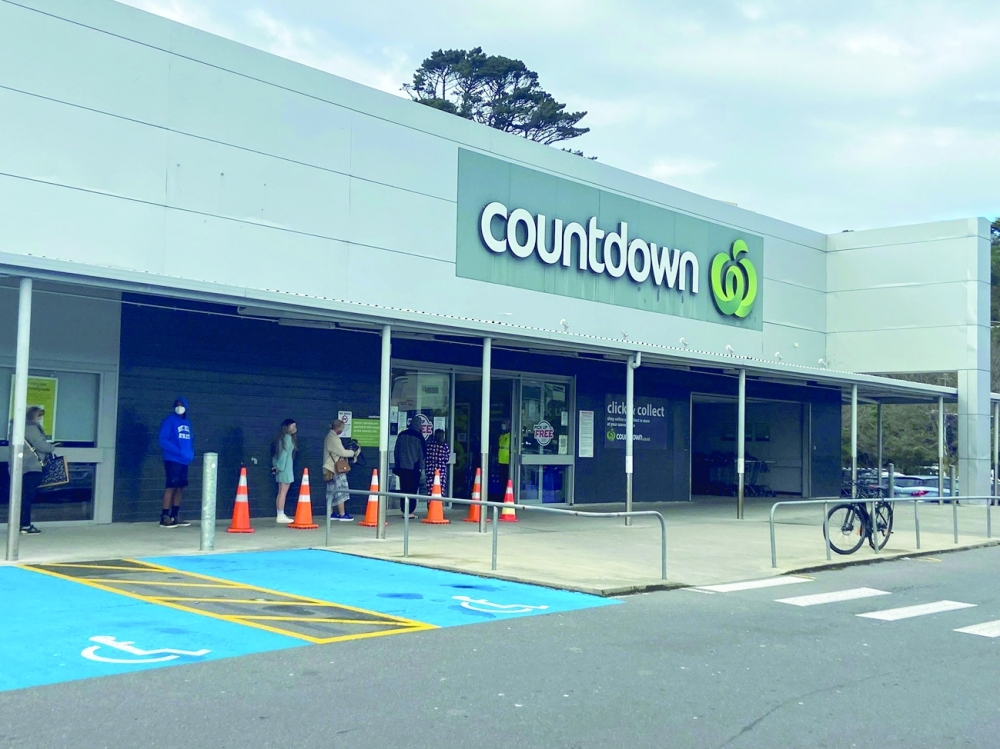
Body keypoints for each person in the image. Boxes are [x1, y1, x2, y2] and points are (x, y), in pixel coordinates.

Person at [8, 406, 55, 534]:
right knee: (27, 497)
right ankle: (25, 525)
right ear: (33, 416)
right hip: (31, 467)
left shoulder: (15, 428)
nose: (40, 419)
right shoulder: (31, 428)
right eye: (39, 416)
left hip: (18, 467)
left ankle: (18, 524)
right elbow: (41, 445)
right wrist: (52, 447)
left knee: (20, 497)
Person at [158, 397, 194, 528]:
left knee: (180, 487)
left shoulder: (187, 423)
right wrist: (178, 451)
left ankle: (175, 515)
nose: (179, 407)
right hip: (172, 459)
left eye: (181, 405)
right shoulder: (169, 420)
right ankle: (164, 517)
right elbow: (163, 440)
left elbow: (189, 440)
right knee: (171, 486)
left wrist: (189, 453)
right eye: (177, 405)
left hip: (184, 460)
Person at [323, 419, 359, 521]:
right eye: (342, 428)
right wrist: (353, 452)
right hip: (336, 468)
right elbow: (342, 452)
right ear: (338, 428)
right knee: (341, 490)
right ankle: (342, 514)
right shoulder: (333, 438)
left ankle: (330, 513)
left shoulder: (329, 436)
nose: (342, 430)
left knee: (331, 491)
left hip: (329, 468)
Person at [393, 414, 426, 518]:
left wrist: (397, 464)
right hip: (414, 469)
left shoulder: (401, 435)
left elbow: (396, 451)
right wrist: (421, 468)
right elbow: (422, 454)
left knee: (403, 489)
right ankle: (410, 512)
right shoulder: (419, 437)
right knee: (412, 491)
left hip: (402, 468)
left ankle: (404, 510)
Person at [271, 419, 297, 523]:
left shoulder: (280, 438)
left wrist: (276, 466)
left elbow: (277, 454)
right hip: (285, 468)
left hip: (280, 468)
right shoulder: (288, 438)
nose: (294, 428)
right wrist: (280, 467)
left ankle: (280, 513)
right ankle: (281, 515)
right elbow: (284, 454)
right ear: (287, 427)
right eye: (292, 426)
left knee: (280, 492)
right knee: (283, 493)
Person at [425, 429, 450, 495]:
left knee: (430, 491)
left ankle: (430, 501)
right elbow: (447, 458)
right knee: (440, 490)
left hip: (430, 471)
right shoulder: (445, 446)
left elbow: (427, 457)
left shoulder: (430, 445)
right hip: (441, 472)